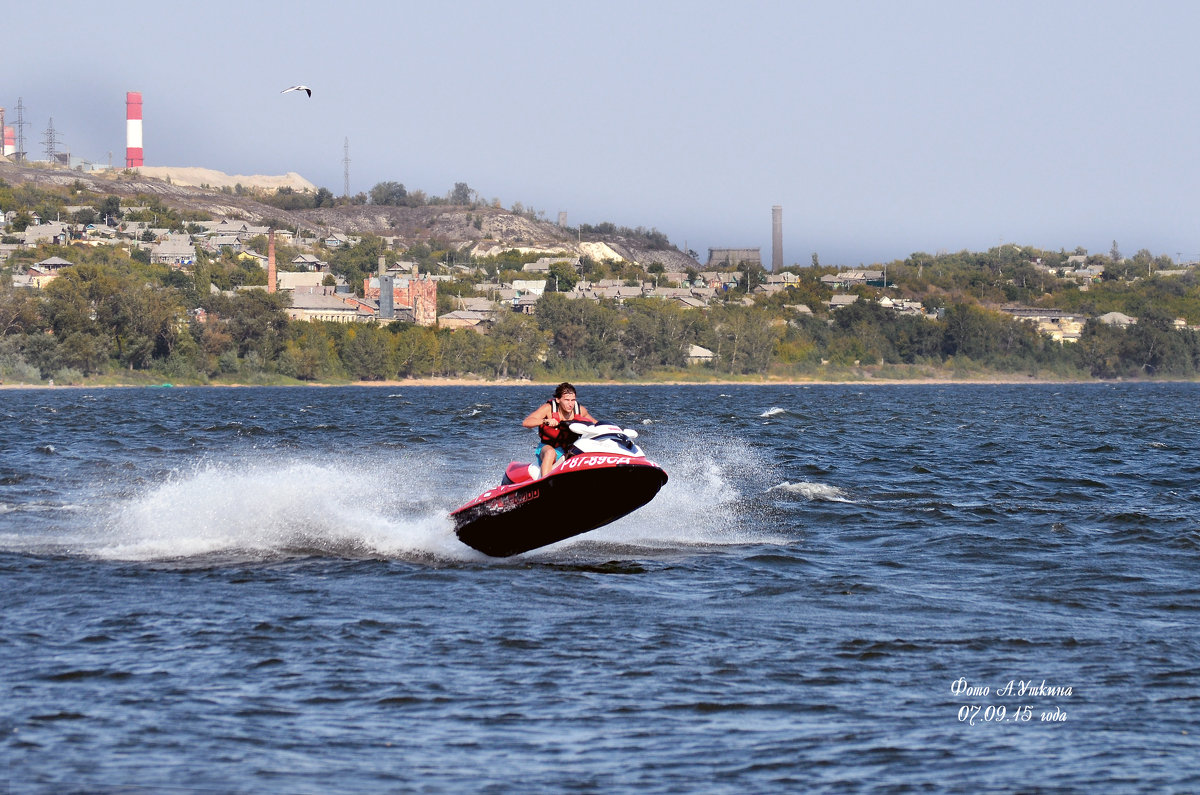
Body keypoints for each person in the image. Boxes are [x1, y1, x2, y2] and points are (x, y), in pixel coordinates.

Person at [522, 382, 596, 477]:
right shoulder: (548, 409)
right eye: (567, 400)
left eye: (573, 400)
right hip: (548, 448)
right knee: (550, 453)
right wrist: (545, 421)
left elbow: (596, 424)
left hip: (569, 449)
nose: (571, 404)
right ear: (558, 399)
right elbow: (526, 422)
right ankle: (545, 484)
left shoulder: (580, 410)